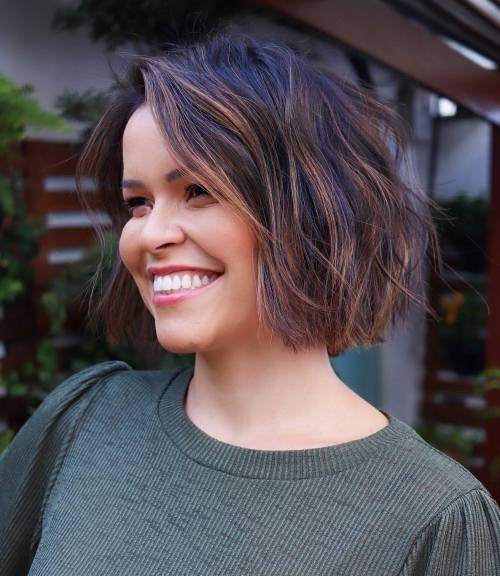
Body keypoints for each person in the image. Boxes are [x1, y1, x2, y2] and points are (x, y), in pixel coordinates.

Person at [1, 31, 499, 576]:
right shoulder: (84, 420)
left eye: (198, 191)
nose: (150, 234)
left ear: (315, 212)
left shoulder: (435, 520)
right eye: (138, 202)